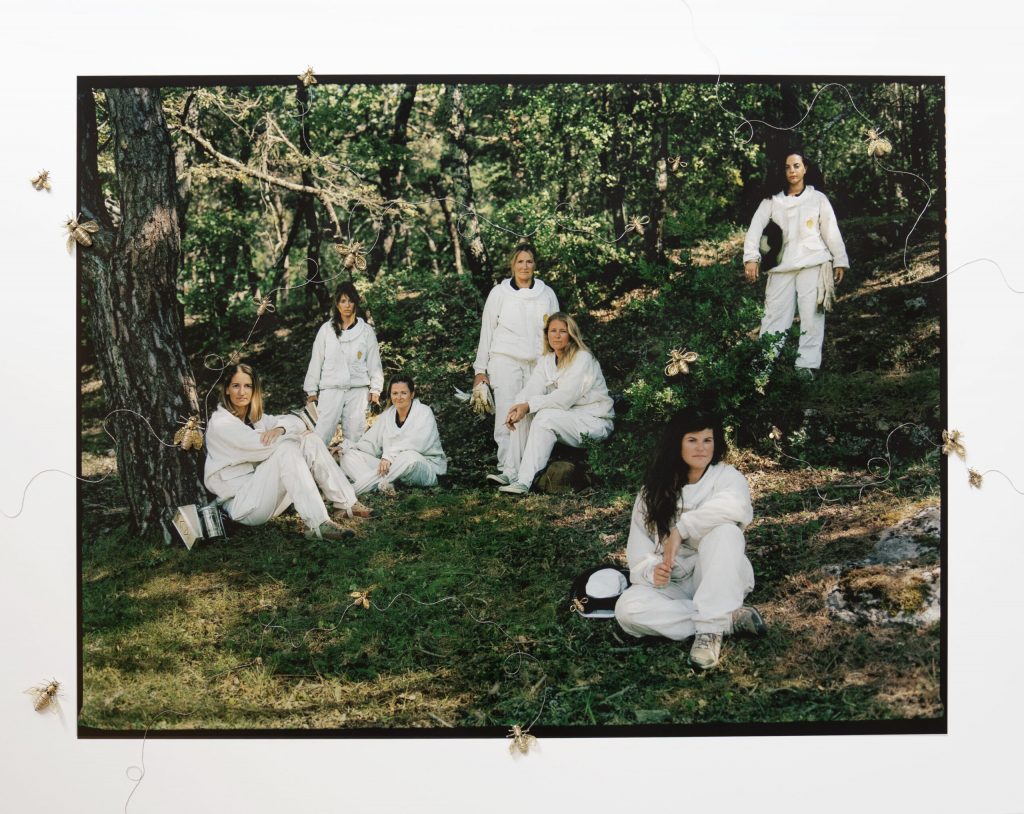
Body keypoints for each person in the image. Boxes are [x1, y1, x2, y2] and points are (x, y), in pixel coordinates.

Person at [614, 408, 766, 669]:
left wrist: (681, 530)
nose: (701, 448)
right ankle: (727, 621)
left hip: (716, 575)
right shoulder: (652, 490)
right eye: (692, 440)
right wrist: (652, 571)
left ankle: (709, 632)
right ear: (678, 443)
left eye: (708, 440)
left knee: (725, 531)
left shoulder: (726, 477)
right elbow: (638, 551)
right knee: (627, 610)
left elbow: (737, 507)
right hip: (673, 583)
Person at [204, 363, 372, 542]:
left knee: (310, 440)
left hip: (264, 495)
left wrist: (281, 429)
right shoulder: (221, 424)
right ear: (227, 390)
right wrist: (295, 435)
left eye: (247, 386)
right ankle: (317, 524)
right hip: (243, 504)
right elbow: (263, 446)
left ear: (254, 390)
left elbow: (298, 421)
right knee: (288, 448)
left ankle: (346, 504)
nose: (241, 392)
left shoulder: (255, 419)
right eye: (236, 386)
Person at [743, 151, 849, 373]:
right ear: (782, 171)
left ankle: (805, 368)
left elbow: (830, 230)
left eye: (796, 165)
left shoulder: (818, 198)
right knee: (773, 317)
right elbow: (754, 229)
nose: (792, 170)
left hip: (813, 263)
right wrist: (751, 258)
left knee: (811, 317)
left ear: (805, 169)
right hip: (781, 267)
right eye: (787, 166)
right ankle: (762, 370)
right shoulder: (772, 200)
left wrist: (840, 260)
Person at [472, 243, 560, 486]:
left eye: (529, 261)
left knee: (532, 414)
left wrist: (556, 365)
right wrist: (480, 371)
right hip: (504, 361)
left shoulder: (547, 294)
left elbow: (556, 331)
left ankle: (527, 473)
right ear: (512, 265)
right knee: (507, 413)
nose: (525, 266)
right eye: (520, 261)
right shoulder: (499, 294)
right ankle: (506, 470)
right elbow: (487, 332)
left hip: (538, 363)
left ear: (535, 265)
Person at [497, 313, 614, 495]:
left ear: (571, 335)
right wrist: (518, 407)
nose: (557, 335)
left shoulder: (582, 358)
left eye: (563, 331)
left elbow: (564, 398)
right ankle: (511, 472)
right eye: (553, 331)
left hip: (593, 421)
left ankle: (524, 482)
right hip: (568, 418)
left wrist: (528, 405)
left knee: (544, 417)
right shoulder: (546, 360)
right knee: (524, 410)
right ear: (547, 335)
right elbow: (532, 388)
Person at [337, 374, 447, 496]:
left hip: (422, 468)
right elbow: (370, 443)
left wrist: (389, 456)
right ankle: (385, 485)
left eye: (403, 393)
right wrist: (347, 446)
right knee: (348, 456)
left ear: (412, 394)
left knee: (408, 457)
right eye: (395, 393)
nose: (399, 397)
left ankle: (350, 492)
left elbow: (418, 443)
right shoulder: (387, 415)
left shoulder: (424, 412)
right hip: (393, 469)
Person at [303, 282, 384, 445]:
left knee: (355, 438)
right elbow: (316, 361)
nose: (347, 305)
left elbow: (374, 363)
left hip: (357, 391)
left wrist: (375, 389)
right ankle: (311, 468)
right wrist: (311, 391)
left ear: (356, 302)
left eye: (350, 301)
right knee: (319, 435)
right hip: (330, 389)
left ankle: (351, 468)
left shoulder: (366, 331)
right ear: (337, 304)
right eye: (343, 301)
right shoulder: (326, 330)